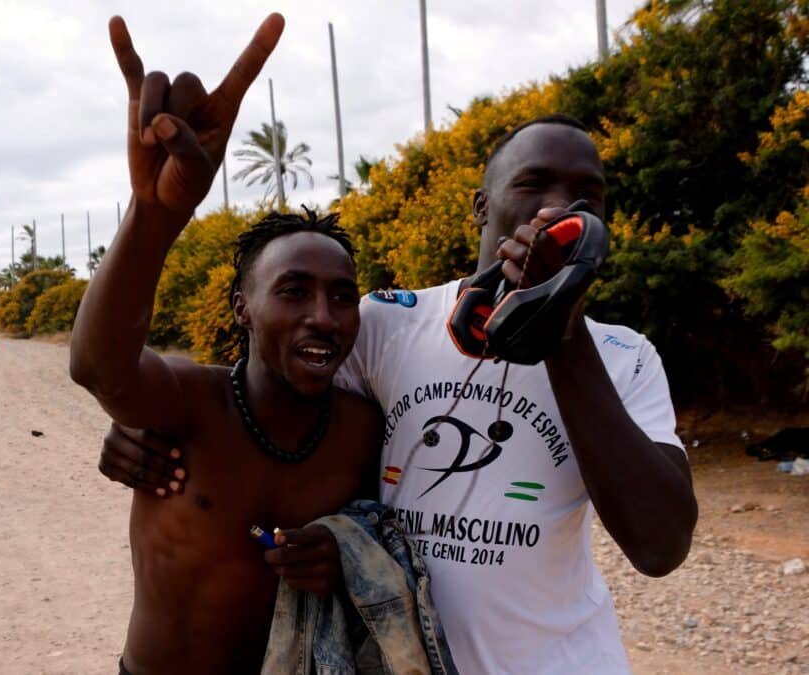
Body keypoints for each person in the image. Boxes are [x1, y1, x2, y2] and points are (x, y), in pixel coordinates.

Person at [98, 114, 699, 674]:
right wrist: (152, 426)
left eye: (584, 196)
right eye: (533, 183)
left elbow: (658, 546)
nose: (555, 207)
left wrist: (562, 334)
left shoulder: (623, 358)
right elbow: (269, 390)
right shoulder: (389, 324)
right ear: (481, 207)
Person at [69, 15, 390, 674]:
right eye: (294, 290)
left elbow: (396, 546)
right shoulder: (189, 402)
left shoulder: (362, 430)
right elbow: (98, 368)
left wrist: (344, 557)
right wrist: (155, 218)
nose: (323, 315)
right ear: (242, 309)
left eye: (341, 294)